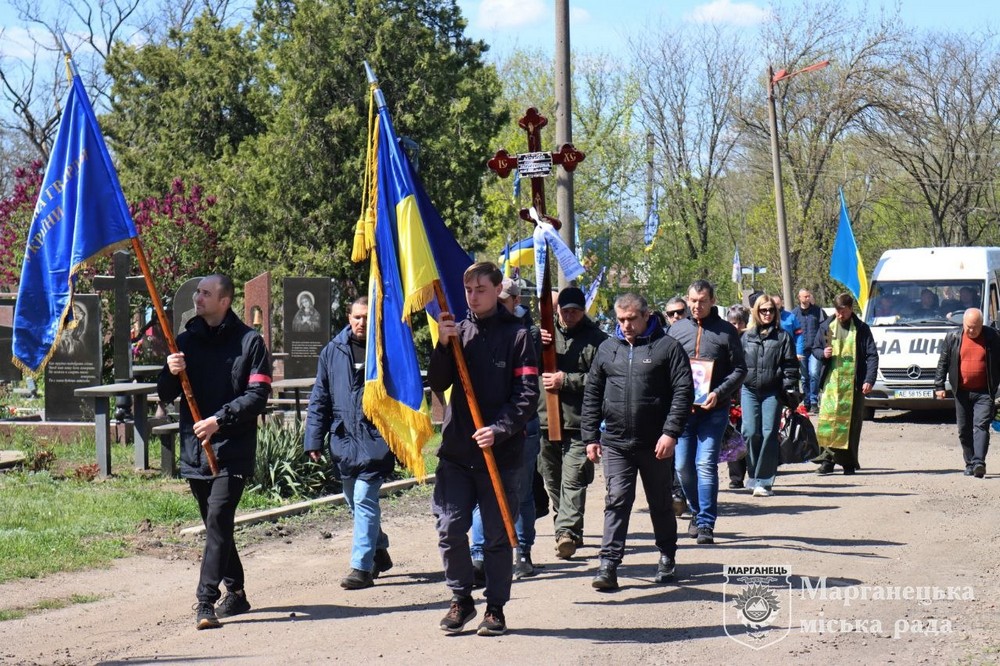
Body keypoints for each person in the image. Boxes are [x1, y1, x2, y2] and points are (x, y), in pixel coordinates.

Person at [428, 262, 539, 636]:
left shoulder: (520, 335)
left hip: (499, 453)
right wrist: (442, 347)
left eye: (481, 289)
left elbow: (526, 396)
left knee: (494, 536)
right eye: (468, 290)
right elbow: (439, 383)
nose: (473, 297)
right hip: (458, 451)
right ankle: (461, 599)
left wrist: (500, 429)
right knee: (450, 528)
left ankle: (495, 608)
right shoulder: (456, 333)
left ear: (497, 291)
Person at [157, 274, 272, 630]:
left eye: (206, 293)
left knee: (219, 520)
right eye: (197, 292)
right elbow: (166, 394)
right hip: (196, 449)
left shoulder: (251, 343)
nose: (198, 297)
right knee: (215, 525)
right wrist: (170, 370)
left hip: (232, 448)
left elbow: (257, 396)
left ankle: (205, 601)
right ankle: (236, 591)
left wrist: (218, 421)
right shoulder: (185, 341)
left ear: (224, 301)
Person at [581, 293, 693, 591]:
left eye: (631, 319)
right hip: (616, 442)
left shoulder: (668, 348)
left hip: (656, 442)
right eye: (621, 319)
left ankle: (667, 555)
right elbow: (592, 394)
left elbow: (683, 392)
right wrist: (590, 436)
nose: (626, 325)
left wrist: (671, 433)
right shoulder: (607, 349)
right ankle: (608, 564)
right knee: (616, 500)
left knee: (660, 503)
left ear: (646, 315)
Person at [305, 297, 394, 590]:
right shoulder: (333, 351)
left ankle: (361, 568)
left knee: (364, 499)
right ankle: (378, 550)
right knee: (352, 500)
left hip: (376, 439)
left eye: (366, 317)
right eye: (356, 317)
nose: (360, 322)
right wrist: (314, 439)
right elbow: (320, 397)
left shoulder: (387, 350)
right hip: (344, 440)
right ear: (348, 316)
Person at [470, 277, 542, 580]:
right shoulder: (475, 331)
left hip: (519, 426)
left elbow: (527, 388)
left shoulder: (530, 333)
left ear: (514, 300)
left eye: (503, 299)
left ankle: (522, 550)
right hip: (482, 427)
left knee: (520, 492)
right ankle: (478, 556)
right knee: (480, 491)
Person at [668, 279, 746, 545]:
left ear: (712, 301)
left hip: (714, 410)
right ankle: (697, 509)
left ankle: (705, 523)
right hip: (683, 411)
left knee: (705, 464)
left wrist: (718, 393)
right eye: (692, 301)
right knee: (682, 467)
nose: (697, 306)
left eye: (702, 301)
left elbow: (740, 370)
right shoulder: (676, 331)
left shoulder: (726, 332)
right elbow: (664, 367)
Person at [537, 285, 607, 560]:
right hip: (545, 420)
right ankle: (566, 524)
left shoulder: (598, 340)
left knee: (574, 479)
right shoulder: (542, 335)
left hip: (580, 423)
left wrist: (566, 380)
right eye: (565, 311)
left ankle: (566, 532)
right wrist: (535, 342)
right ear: (557, 310)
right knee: (552, 479)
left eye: (576, 311)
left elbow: (602, 379)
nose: (570, 316)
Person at [812, 293, 878, 475]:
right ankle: (826, 461)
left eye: (844, 311)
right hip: (831, 384)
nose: (840, 315)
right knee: (828, 422)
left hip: (854, 385)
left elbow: (872, 355)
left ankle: (848, 462)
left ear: (851, 309)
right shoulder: (827, 327)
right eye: (838, 311)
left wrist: (869, 379)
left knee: (850, 423)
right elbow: (815, 348)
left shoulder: (861, 328)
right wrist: (822, 353)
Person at [740, 295, 799, 496]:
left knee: (768, 433)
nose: (767, 314)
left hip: (772, 391)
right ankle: (754, 474)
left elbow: (790, 365)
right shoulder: (746, 337)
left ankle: (764, 481)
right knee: (749, 432)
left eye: (771, 310)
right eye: (763, 310)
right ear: (756, 312)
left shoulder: (783, 337)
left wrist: (789, 388)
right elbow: (738, 365)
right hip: (748, 390)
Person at [934, 309, 1000, 477]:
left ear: (982, 324)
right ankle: (970, 462)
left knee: (981, 425)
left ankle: (979, 462)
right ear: (963, 324)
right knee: (964, 429)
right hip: (961, 392)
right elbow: (943, 362)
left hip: (984, 392)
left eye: (976, 327)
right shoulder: (953, 337)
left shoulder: (992, 337)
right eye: (969, 327)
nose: (972, 330)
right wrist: (939, 386)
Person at [725, 304, 750, 490]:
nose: (736, 326)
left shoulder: (750, 339)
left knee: (748, 433)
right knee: (732, 435)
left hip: (747, 391)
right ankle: (736, 477)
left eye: (739, 322)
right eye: (732, 322)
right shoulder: (724, 339)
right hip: (729, 393)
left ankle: (753, 471)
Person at [792, 289, 825, 413]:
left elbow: (825, 328)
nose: (806, 299)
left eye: (808, 296)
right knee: (804, 377)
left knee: (814, 373)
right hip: (801, 350)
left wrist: (824, 344)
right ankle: (806, 402)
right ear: (799, 297)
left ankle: (814, 401)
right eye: (804, 296)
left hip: (815, 349)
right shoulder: (794, 314)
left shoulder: (818, 311)